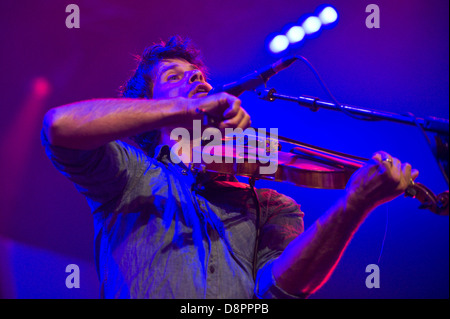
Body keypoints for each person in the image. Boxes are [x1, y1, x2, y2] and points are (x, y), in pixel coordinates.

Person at [41, 35, 418, 299]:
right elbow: (59, 127)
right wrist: (189, 108)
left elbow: (277, 293)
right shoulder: (130, 174)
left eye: (200, 77)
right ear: (150, 108)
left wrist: (353, 206)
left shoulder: (270, 203)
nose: (196, 78)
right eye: (173, 77)